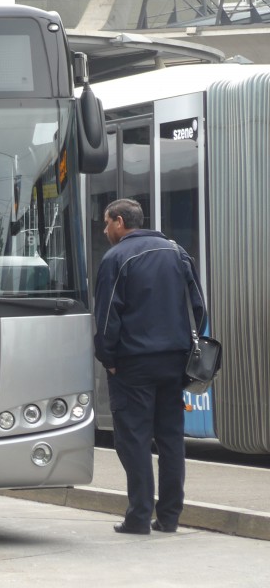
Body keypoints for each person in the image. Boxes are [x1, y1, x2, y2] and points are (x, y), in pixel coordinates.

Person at [94, 198, 205, 535]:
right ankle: (169, 517)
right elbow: (198, 307)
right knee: (171, 440)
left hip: (133, 365)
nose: (104, 230)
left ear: (118, 222)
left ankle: (139, 516)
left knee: (134, 440)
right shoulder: (178, 253)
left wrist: (108, 359)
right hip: (175, 362)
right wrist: (187, 348)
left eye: (105, 223)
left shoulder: (116, 258)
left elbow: (108, 314)